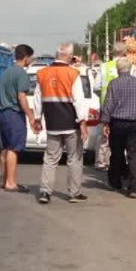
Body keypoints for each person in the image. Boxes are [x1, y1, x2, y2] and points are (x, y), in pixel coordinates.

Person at [36, 42, 88, 204]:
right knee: (74, 158)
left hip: (52, 124)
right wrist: (83, 123)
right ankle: (74, 193)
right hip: (71, 124)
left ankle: (45, 192)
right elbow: (79, 101)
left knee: (50, 159)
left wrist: (38, 118)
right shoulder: (73, 74)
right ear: (69, 57)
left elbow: (38, 99)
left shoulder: (42, 73)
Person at [100, 56, 136, 197]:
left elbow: (109, 104)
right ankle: (133, 186)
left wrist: (105, 122)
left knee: (117, 152)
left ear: (118, 70)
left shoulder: (113, 84)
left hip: (117, 123)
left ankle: (116, 181)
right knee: (134, 154)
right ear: (130, 70)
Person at [0, 43, 42, 193]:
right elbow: (21, 97)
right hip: (13, 114)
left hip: (2, 113)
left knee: (5, 148)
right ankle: (11, 183)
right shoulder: (21, 73)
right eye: (30, 57)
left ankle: (4, 181)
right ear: (26, 57)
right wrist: (30, 116)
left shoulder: (6, 72)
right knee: (14, 149)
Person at [95, 40, 136, 170]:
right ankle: (124, 161)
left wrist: (104, 97)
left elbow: (96, 86)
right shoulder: (131, 67)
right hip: (126, 108)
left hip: (106, 107)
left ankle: (101, 161)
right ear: (125, 52)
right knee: (124, 137)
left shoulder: (104, 67)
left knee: (104, 135)